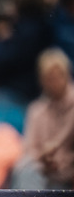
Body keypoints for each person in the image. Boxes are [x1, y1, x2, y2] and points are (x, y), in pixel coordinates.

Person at [16, 48, 74, 189]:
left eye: (58, 75)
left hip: (70, 173)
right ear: (42, 80)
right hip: (46, 174)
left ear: (67, 75)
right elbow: (29, 151)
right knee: (24, 170)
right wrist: (44, 161)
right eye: (49, 78)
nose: (54, 82)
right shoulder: (36, 110)